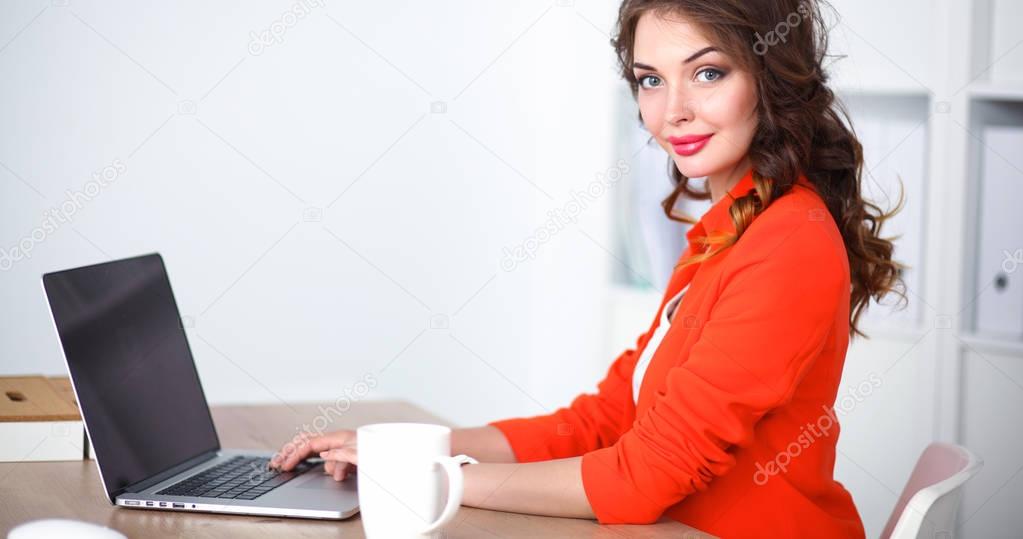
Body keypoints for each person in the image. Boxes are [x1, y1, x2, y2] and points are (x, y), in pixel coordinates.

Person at [272, 0, 904, 536]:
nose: (672, 111)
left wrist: (437, 480)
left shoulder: (790, 240)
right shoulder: (729, 228)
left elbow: (645, 477)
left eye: (707, 73)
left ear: (770, 78)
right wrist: (417, 447)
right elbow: (606, 419)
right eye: (650, 79)